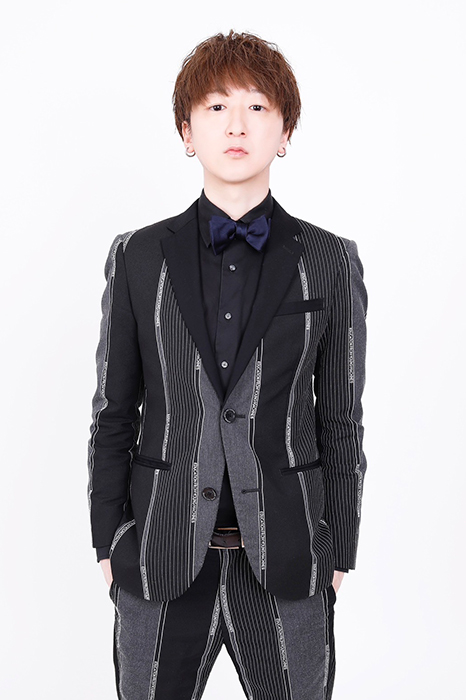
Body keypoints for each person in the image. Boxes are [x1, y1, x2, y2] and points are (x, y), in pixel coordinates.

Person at [87, 29, 368, 700]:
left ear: (285, 130)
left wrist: (338, 550)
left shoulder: (329, 259)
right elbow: (114, 411)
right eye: (216, 106)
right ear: (187, 131)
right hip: (158, 555)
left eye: (257, 107)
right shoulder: (138, 256)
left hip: (290, 557)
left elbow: (341, 419)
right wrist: (108, 541)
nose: (236, 125)